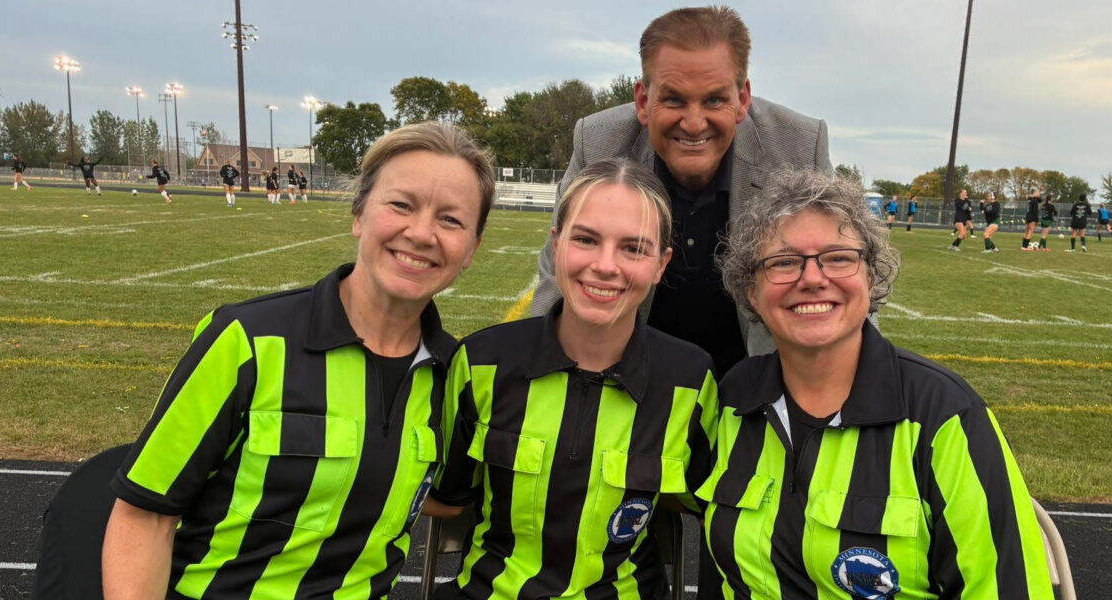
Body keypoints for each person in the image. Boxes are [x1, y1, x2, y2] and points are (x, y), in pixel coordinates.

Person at [102, 121, 496, 600]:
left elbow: (440, 496)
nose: (421, 233)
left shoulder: (454, 373)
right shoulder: (247, 340)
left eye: (451, 220)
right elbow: (145, 515)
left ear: (472, 248)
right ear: (359, 214)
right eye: (401, 205)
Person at [699, 168, 1052, 599]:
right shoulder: (734, 398)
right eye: (784, 262)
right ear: (750, 290)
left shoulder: (943, 416)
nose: (812, 278)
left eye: (838, 257)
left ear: (871, 275)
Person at [428, 159, 717, 600]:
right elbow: (449, 497)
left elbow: (707, 509)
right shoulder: (482, 362)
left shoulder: (691, 381)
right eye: (585, 239)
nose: (605, 266)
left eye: (633, 249)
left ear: (662, 264)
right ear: (556, 244)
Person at [532, 6, 832, 379]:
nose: (693, 123)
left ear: (742, 100)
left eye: (714, 100)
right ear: (643, 101)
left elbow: (840, 278)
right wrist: (533, 374)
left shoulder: (799, 147)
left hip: (754, 383)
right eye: (673, 100)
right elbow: (558, 270)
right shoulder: (599, 141)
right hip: (633, 382)